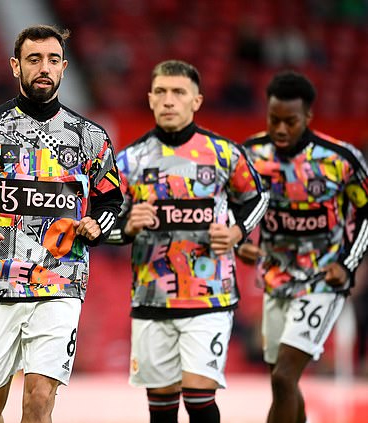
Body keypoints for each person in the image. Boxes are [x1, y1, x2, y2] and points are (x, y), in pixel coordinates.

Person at [0, 24, 123, 423]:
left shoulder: (89, 137)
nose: (43, 68)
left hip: (60, 283)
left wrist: (96, 224)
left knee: (38, 401)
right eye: (34, 59)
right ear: (15, 65)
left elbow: (111, 200)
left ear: (65, 67)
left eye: (52, 60)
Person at [107, 59, 269, 423]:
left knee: (199, 397)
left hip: (210, 295)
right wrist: (128, 226)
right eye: (161, 92)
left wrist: (237, 232)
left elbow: (258, 198)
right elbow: (103, 225)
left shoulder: (224, 153)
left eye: (178, 92)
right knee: (161, 409)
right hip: (151, 297)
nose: (169, 100)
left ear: (197, 100)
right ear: (149, 99)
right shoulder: (129, 161)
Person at [236, 70, 368, 423]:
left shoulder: (340, 160)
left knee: (283, 376)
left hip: (324, 279)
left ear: (308, 117)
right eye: (273, 120)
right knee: (282, 381)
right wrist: (241, 241)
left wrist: (347, 264)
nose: (280, 129)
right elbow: (233, 208)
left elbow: (366, 213)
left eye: (290, 121)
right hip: (276, 278)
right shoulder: (251, 154)